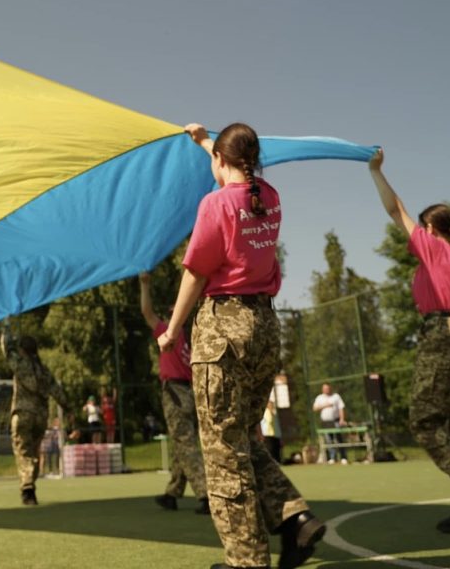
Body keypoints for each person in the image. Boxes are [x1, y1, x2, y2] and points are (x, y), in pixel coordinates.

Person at [158, 122, 326, 569]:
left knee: (222, 452)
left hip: (223, 330)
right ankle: (295, 518)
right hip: (264, 326)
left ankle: (247, 562)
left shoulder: (215, 204)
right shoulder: (269, 198)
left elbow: (194, 272)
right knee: (241, 440)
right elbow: (237, 170)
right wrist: (203, 142)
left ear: (221, 161)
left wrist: (173, 330)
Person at [367, 148, 450, 535]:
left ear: (430, 229)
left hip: (446, 336)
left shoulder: (435, 248)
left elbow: (396, 210)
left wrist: (376, 172)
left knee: (425, 421)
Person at [139, 271, 209, 515]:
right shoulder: (192, 338)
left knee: (185, 443)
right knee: (183, 441)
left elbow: (147, 313)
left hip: (175, 392)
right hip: (191, 392)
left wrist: (144, 285)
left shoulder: (168, 331)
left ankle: (206, 494)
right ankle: (173, 492)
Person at [2, 331, 69, 505]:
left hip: (23, 414)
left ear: (22, 350)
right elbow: (57, 392)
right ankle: (31, 484)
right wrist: (68, 409)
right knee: (35, 451)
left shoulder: (20, 364)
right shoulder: (44, 370)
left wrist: (6, 329)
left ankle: (27, 489)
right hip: (40, 416)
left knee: (23, 451)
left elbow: (7, 349)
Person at [312, 383, 349, 464]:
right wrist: (325, 405)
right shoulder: (319, 398)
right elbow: (314, 408)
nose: (326, 390)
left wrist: (342, 419)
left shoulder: (336, 396)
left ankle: (343, 457)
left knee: (339, 439)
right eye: (324, 388)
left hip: (336, 421)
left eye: (327, 388)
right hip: (325, 422)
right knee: (329, 440)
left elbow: (341, 408)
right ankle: (332, 458)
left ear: (330, 388)